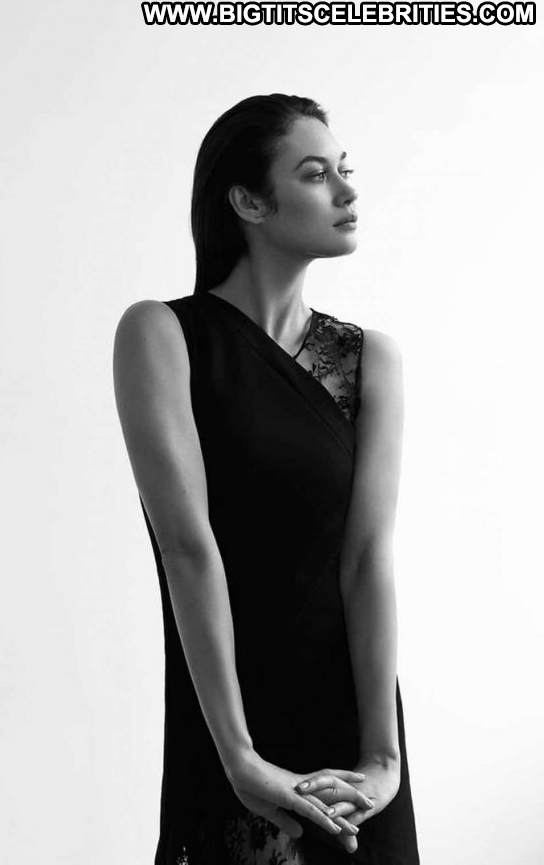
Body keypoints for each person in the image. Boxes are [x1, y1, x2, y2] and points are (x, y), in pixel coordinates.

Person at [113, 93, 420, 864]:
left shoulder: (371, 360)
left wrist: (383, 758)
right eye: (316, 174)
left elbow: (367, 559)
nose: (347, 191)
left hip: (354, 734)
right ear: (248, 201)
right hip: (230, 730)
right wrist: (240, 755)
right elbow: (188, 548)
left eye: (345, 170)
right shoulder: (162, 334)